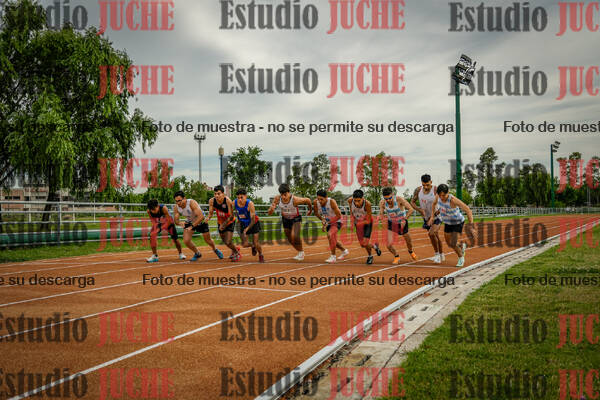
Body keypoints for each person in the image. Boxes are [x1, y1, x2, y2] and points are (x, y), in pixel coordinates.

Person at [429, 184, 476, 268]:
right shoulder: (437, 197)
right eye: (440, 195)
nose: (442, 197)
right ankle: (461, 245)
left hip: (457, 222)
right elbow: (434, 204)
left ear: (448, 192)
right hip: (448, 222)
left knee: (453, 243)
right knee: (449, 243)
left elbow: (468, 210)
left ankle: (461, 258)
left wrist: (471, 227)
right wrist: (432, 217)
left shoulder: (453, 200)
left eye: (444, 195)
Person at [173, 191, 224, 262]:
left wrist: (192, 226)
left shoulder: (191, 203)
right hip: (190, 221)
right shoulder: (176, 207)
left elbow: (201, 216)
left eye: (179, 200)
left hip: (201, 221)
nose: (178, 203)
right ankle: (197, 253)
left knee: (208, 240)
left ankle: (215, 249)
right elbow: (176, 220)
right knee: (186, 240)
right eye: (176, 201)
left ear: (184, 198)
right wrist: (179, 223)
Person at [267, 183, 312, 261]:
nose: (283, 197)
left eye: (285, 195)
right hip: (286, 219)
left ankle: (301, 252)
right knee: (289, 238)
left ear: (289, 192)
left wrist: (310, 210)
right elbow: (269, 213)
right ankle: (300, 252)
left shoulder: (295, 200)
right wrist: (271, 209)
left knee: (294, 236)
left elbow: (308, 200)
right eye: (282, 195)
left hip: (296, 218)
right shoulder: (277, 199)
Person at [378, 187, 418, 265]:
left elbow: (411, 209)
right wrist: (380, 217)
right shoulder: (382, 203)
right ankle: (396, 256)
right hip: (392, 223)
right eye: (386, 199)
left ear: (392, 195)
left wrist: (404, 219)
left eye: (390, 198)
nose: (388, 200)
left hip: (402, 222)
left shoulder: (399, 199)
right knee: (388, 244)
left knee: (408, 240)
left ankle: (411, 251)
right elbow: (381, 214)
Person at [411, 174, 444, 264]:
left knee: (431, 233)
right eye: (424, 185)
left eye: (427, 185)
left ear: (431, 182)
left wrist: (434, 215)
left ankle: (437, 255)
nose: (425, 187)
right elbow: (412, 202)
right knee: (435, 236)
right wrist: (420, 210)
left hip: (437, 216)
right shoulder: (418, 190)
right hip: (426, 217)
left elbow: (444, 204)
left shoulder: (436, 190)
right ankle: (441, 255)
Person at [313, 190, 349, 263]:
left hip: (337, 220)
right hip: (328, 222)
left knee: (330, 234)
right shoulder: (316, 202)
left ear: (326, 197)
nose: (320, 201)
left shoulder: (331, 202)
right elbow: (316, 213)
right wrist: (322, 220)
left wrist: (327, 222)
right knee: (332, 239)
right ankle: (344, 251)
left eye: (321, 199)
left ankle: (333, 257)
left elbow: (339, 215)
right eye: (318, 199)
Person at [207, 185, 240, 261]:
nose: (216, 196)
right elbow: (211, 213)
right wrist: (207, 218)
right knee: (225, 241)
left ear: (223, 194)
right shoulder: (211, 201)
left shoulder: (228, 201)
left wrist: (224, 224)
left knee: (228, 241)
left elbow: (231, 216)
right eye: (215, 194)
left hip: (230, 221)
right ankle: (234, 248)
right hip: (220, 222)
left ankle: (236, 252)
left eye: (218, 194)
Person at [347, 189, 381, 265]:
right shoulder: (350, 201)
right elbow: (351, 212)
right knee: (362, 244)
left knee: (365, 243)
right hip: (358, 222)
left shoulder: (367, 204)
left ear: (363, 198)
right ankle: (375, 246)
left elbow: (369, 219)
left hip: (367, 223)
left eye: (359, 201)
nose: (357, 203)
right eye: (355, 200)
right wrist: (352, 223)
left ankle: (370, 256)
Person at [234, 188, 264, 263]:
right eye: (238, 198)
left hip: (253, 223)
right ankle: (252, 246)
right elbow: (235, 211)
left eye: (241, 197)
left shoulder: (250, 204)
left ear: (246, 196)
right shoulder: (234, 202)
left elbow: (253, 220)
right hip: (243, 223)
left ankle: (261, 254)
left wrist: (247, 229)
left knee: (256, 242)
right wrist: (238, 219)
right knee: (244, 244)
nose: (239, 199)